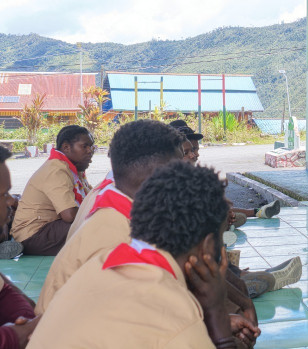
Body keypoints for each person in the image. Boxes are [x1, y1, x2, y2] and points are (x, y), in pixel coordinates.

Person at [28, 161, 259, 349]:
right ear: (208, 246)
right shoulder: (179, 322)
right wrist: (219, 325)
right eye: (221, 239)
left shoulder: (98, 265)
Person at [36, 120, 185, 313]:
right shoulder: (115, 238)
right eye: (179, 169)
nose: (185, 176)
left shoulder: (120, 206)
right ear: (156, 175)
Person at [10, 126, 94, 255]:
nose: (90, 151)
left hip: (49, 227)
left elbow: (91, 196)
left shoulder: (74, 169)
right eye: (85, 146)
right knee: (95, 226)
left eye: (92, 146)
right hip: (33, 235)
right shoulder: (57, 170)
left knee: (98, 223)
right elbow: (70, 215)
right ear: (66, 147)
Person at [0, 146, 39, 348]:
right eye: (3, 194)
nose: (11, 200)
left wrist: (26, 320)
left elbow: (4, 292)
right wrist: (12, 336)